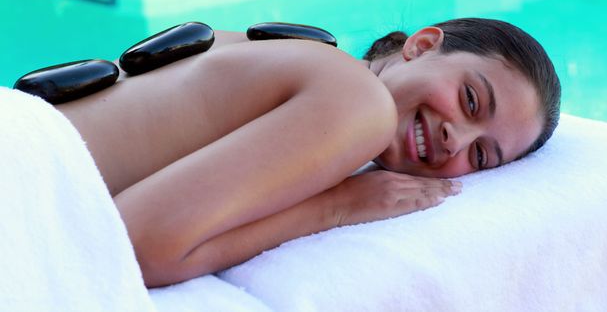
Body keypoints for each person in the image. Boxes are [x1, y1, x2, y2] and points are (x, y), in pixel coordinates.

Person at [55, 17, 561, 287]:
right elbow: (139, 246)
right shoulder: (358, 106)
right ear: (422, 46)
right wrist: (339, 205)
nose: (457, 139)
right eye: (470, 99)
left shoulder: (291, 50)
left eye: (480, 157)